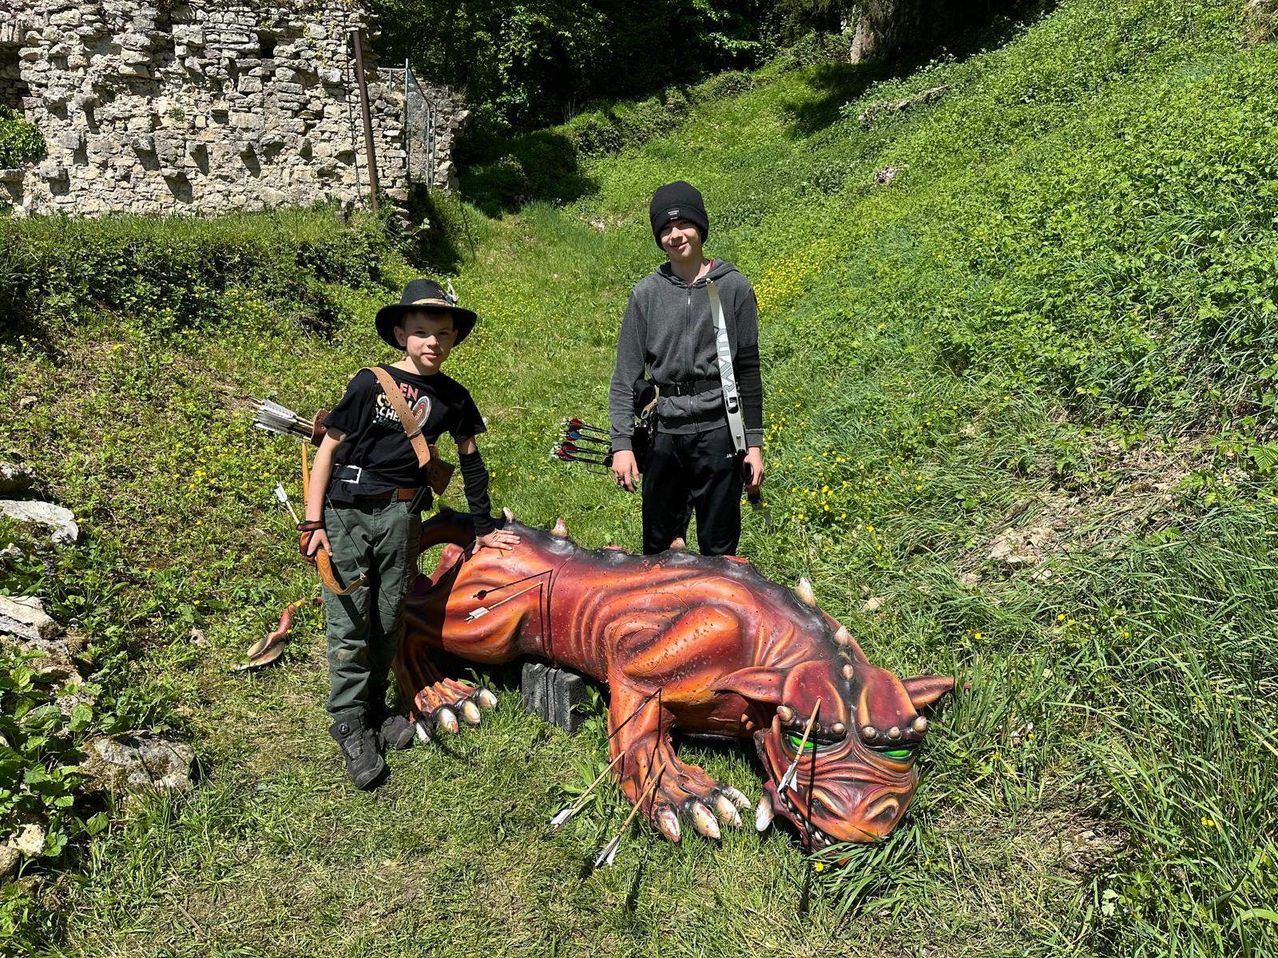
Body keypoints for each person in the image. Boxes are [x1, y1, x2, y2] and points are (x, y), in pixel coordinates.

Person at [300, 278, 519, 789]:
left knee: (390, 612)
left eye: (442, 333)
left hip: (402, 517)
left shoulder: (454, 398)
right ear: (401, 334)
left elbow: (471, 462)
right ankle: (350, 721)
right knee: (350, 618)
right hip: (348, 514)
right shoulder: (368, 384)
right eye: (421, 332)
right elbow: (328, 451)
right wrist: (313, 524)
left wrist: (483, 527)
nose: (432, 343)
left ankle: (377, 710)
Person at [608, 181, 764, 556]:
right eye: (665, 228)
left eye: (684, 225)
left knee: (720, 549)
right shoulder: (646, 294)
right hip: (665, 433)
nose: (675, 235)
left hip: (718, 432)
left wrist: (754, 444)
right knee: (659, 548)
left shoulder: (733, 288)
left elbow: (749, 372)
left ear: (701, 227)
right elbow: (625, 375)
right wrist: (622, 444)